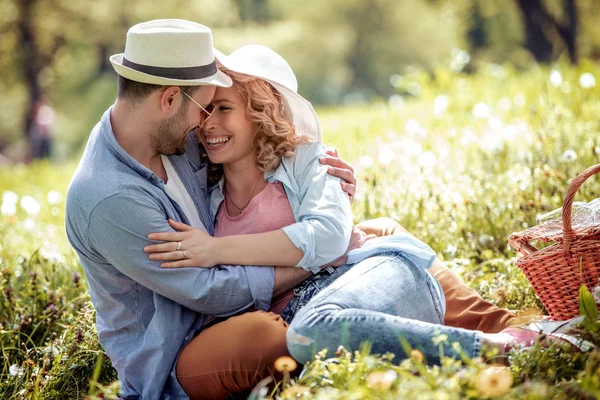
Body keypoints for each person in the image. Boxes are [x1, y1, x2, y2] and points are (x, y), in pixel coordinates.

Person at [143, 44, 566, 399]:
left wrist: (218, 250)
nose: (208, 123)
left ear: (258, 111)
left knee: (375, 240)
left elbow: (328, 238)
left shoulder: (308, 161)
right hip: (304, 322)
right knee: (333, 302)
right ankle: (509, 339)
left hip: (354, 287)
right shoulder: (208, 202)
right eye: (204, 110)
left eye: (223, 108)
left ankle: (512, 338)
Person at [65, 20, 358, 400]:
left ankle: (457, 325)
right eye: (202, 107)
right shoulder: (108, 197)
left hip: (230, 311)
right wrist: (316, 257)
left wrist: (327, 181)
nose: (203, 124)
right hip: (177, 350)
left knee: (385, 236)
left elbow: (257, 137)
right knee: (265, 338)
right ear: (169, 99)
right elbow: (207, 292)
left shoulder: (170, 134)